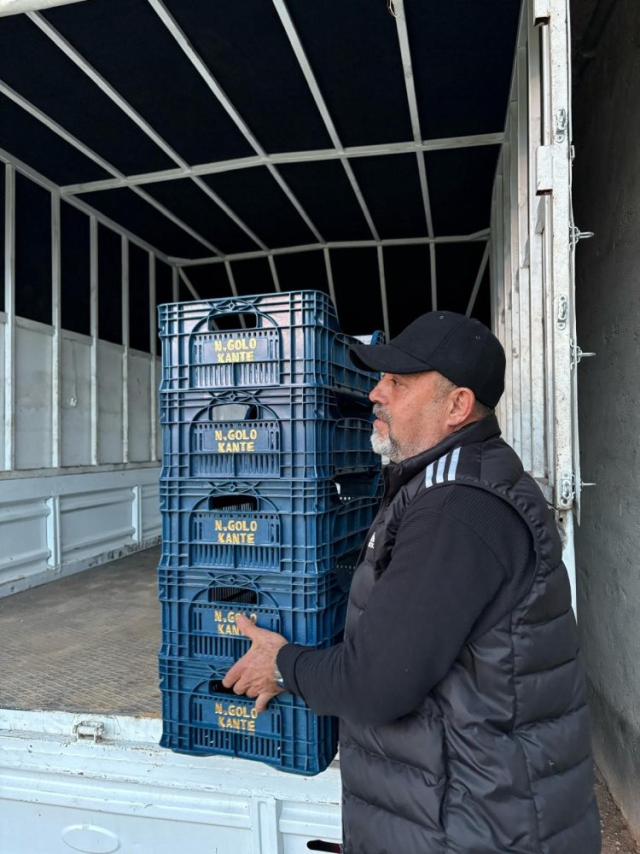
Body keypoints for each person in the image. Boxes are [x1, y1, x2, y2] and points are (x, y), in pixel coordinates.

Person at [223, 310, 602, 854]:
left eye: (397, 382)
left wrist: (283, 666)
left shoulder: (458, 507)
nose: (375, 392)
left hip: (470, 826)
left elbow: (378, 682)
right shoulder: (445, 483)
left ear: (456, 406)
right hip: (461, 809)